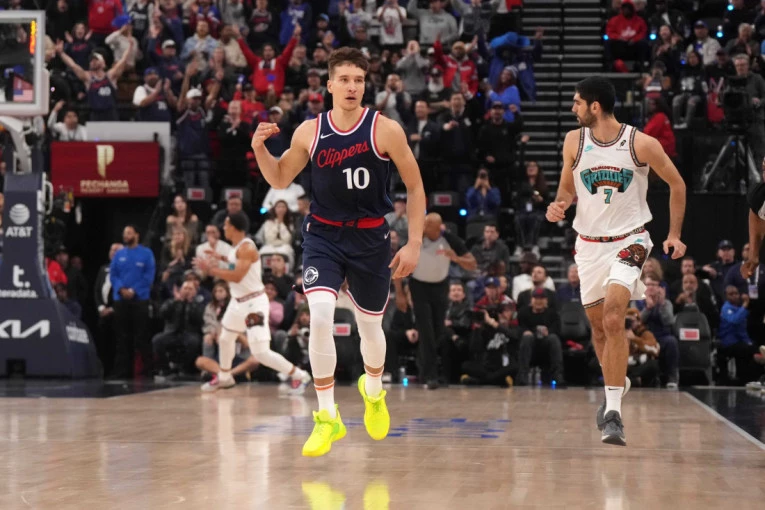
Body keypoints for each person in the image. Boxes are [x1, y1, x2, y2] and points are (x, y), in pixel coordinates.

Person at [250, 46, 425, 457]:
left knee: (370, 329)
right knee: (321, 316)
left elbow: (415, 186)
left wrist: (414, 242)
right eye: (344, 79)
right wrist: (259, 149)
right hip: (323, 236)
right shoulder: (309, 131)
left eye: (358, 80)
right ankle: (327, 416)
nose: (352, 87)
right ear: (329, 85)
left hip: (370, 238)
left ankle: (374, 390)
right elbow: (280, 178)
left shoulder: (385, 129)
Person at [546, 76, 687, 446]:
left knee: (613, 318)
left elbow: (678, 184)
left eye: (577, 102)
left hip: (631, 240)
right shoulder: (574, 141)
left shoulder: (641, 143)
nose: (573, 108)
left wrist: (673, 234)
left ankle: (613, 415)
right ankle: (616, 381)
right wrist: (559, 205)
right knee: (598, 329)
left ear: (595, 106)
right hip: (589, 246)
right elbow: (567, 187)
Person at [193, 212, 312, 392]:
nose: (223, 228)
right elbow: (234, 264)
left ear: (234, 227)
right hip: (237, 303)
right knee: (225, 338)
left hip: (253, 305)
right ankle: (225, 377)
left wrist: (211, 270)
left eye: (226, 225)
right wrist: (220, 258)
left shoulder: (247, 248)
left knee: (261, 352)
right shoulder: (236, 249)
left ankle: (300, 375)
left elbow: (237, 275)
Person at [407, 213, 477, 389]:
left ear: (438, 228)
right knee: (426, 332)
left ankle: (423, 369)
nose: (423, 227)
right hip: (418, 287)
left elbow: (472, 264)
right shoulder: (415, 238)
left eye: (427, 225)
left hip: (440, 286)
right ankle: (431, 376)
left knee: (438, 331)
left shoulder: (449, 239)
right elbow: (399, 261)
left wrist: (456, 258)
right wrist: (401, 293)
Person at [110, 225, 157, 379]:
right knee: (122, 337)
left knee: (142, 336)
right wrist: (121, 289)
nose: (126, 235)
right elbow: (113, 275)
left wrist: (133, 290)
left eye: (129, 233)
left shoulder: (146, 253)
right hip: (121, 300)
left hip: (140, 300)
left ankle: (148, 371)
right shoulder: (119, 254)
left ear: (137, 235)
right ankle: (123, 371)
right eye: (124, 233)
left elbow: (148, 276)